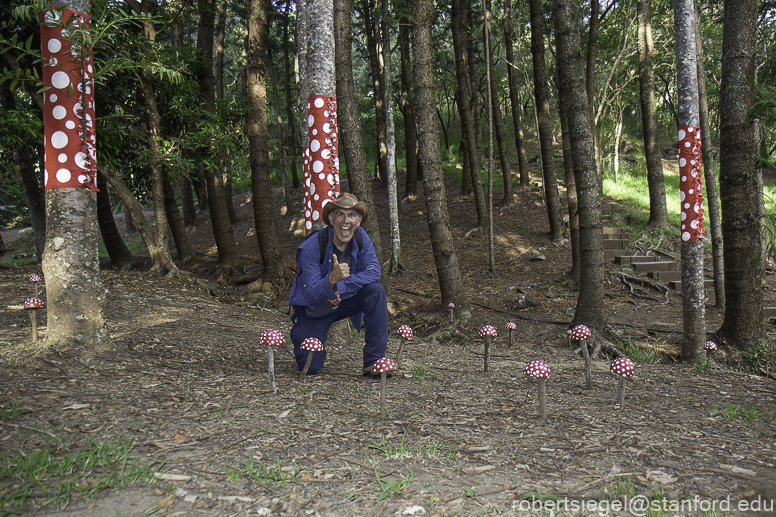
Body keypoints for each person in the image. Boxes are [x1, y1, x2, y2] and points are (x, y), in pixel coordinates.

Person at [288, 193, 388, 376]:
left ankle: (374, 363)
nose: (346, 221)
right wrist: (330, 280)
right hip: (313, 310)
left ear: (358, 220)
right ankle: (300, 333)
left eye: (351, 215)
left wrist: (339, 287)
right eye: (340, 214)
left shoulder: (361, 237)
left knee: (376, 291)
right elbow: (310, 295)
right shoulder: (310, 248)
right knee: (310, 368)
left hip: (343, 301)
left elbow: (374, 272)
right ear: (331, 219)